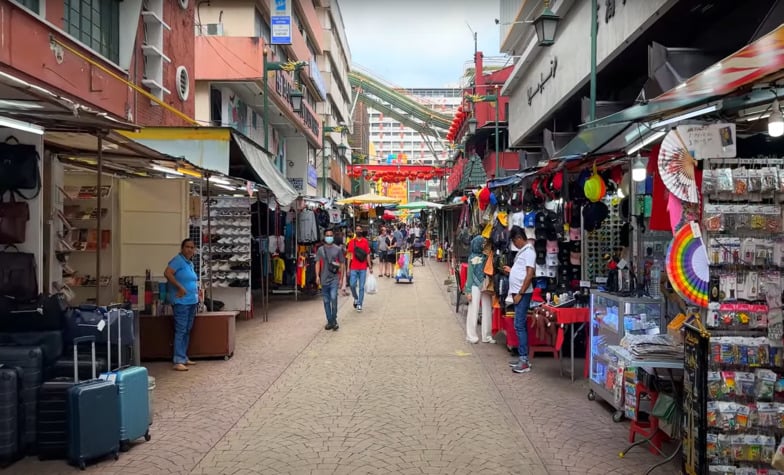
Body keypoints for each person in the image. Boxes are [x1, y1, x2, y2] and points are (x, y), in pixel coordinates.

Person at [502, 226, 536, 374]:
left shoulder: (529, 251)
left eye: (515, 242)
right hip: (518, 292)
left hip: (522, 293)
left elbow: (530, 274)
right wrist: (512, 271)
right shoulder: (524, 251)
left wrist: (520, 293)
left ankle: (524, 359)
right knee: (518, 325)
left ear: (519, 239)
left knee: (520, 325)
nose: (515, 245)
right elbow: (522, 270)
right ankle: (523, 358)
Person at [164, 239, 200, 372]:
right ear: (182, 248)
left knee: (187, 330)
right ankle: (178, 360)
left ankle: (183, 357)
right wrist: (180, 287)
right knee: (181, 330)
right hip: (181, 302)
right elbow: (167, 273)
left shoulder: (189, 263)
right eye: (187, 247)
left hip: (191, 301)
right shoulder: (178, 260)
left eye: (192, 247)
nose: (190, 250)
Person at [463, 235, 495, 344]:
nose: (483, 245)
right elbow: (470, 275)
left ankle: (487, 335)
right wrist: (467, 291)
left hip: (485, 285)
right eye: (481, 244)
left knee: (487, 309)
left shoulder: (487, 256)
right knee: (473, 309)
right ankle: (471, 335)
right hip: (475, 286)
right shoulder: (472, 257)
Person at [316, 229, 345, 331]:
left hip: (334, 278)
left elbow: (342, 264)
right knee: (326, 301)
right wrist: (317, 276)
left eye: (330, 235)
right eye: (327, 235)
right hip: (323, 279)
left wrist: (341, 279)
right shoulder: (320, 250)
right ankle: (330, 321)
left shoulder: (338, 249)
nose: (329, 237)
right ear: (324, 237)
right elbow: (317, 263)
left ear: (333, 236)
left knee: (333, 298)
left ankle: (334, 320)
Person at [346, 225, 372, 312]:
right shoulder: (351, 242)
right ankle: (356, 298)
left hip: (363, 267)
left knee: (361, 287)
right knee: (352, 285)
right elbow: (349, 255)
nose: (358, 231)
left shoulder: (365, 241)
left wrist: (370, 266)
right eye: (357, 230)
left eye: (360, 230)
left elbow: (367, 254)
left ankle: (360, 304)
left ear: (362, 231)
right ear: (355, 231)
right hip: (353, 267)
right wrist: (348, 268)